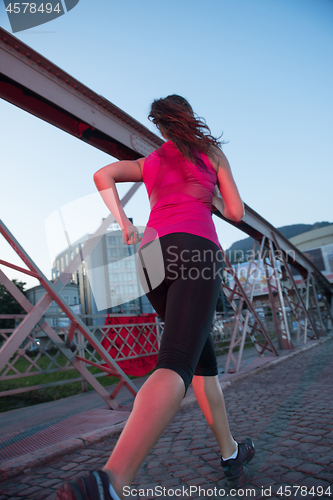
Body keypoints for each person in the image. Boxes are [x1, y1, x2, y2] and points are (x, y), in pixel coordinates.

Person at [56, 95, 255, 500]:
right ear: (189, 119)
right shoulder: (210, 153)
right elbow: (235, 212)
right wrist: (210, 194)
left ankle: (230, 452)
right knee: (176, 363)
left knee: (202, 363)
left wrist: (124, 222)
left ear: (161, 128)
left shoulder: (149, 163)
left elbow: (102, 174)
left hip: (151, 257)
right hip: (194, 248)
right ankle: (111, 480)